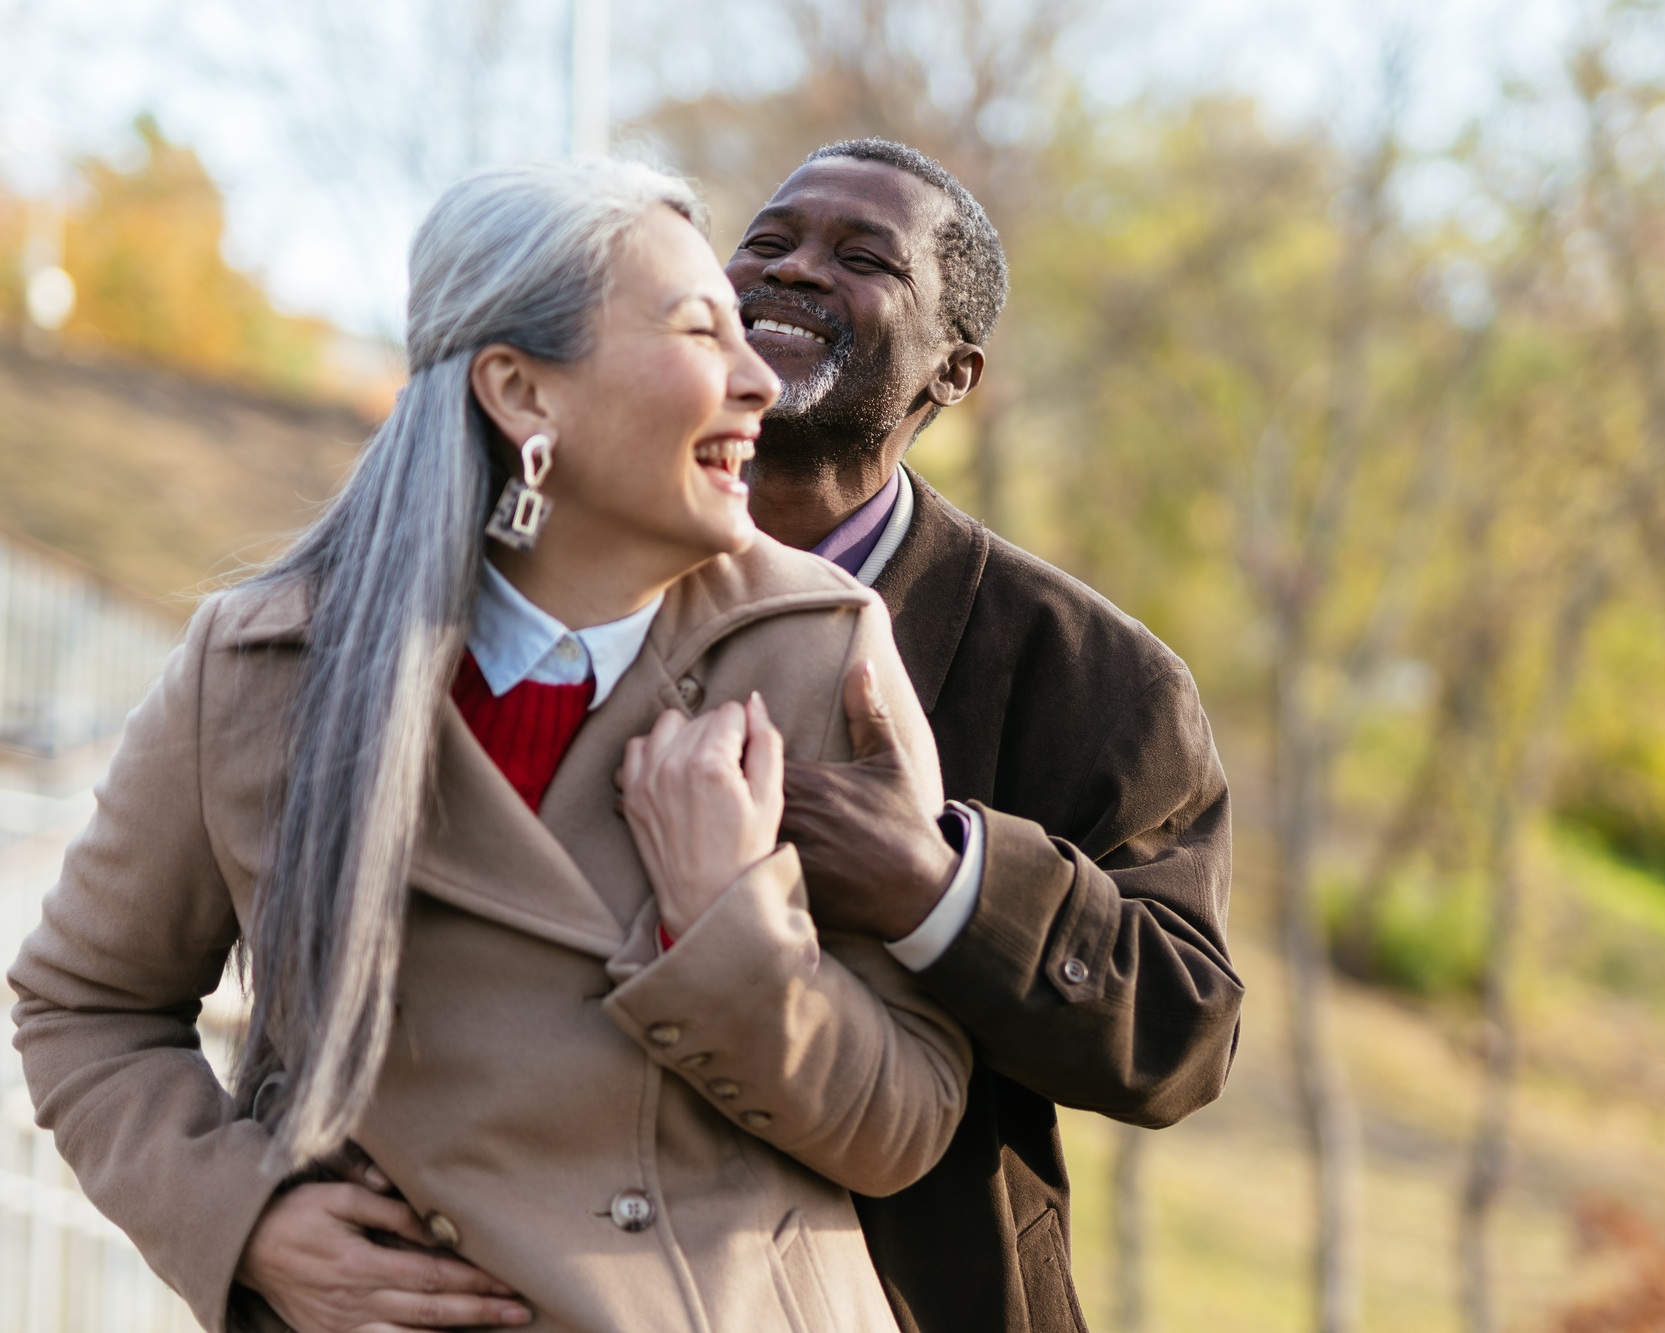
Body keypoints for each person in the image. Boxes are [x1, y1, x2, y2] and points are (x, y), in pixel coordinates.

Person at [239, 139, 1243, 1333]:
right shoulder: (466, 583)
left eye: (863, 257)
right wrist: (240, 1214)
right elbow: (110, 993)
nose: (794, 270)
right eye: (765, 242)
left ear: (954, 373)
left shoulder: (1088, 672)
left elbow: (1182, 1032)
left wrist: (942, 884)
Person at [7, 159, 975, 1333]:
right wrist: (243, 1217)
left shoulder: (823, 651)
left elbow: (908, 1121)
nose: (755, 378)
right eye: (696, 330)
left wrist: (728, 929)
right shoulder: (259, 668)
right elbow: (84, 1005)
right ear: (521, 394)